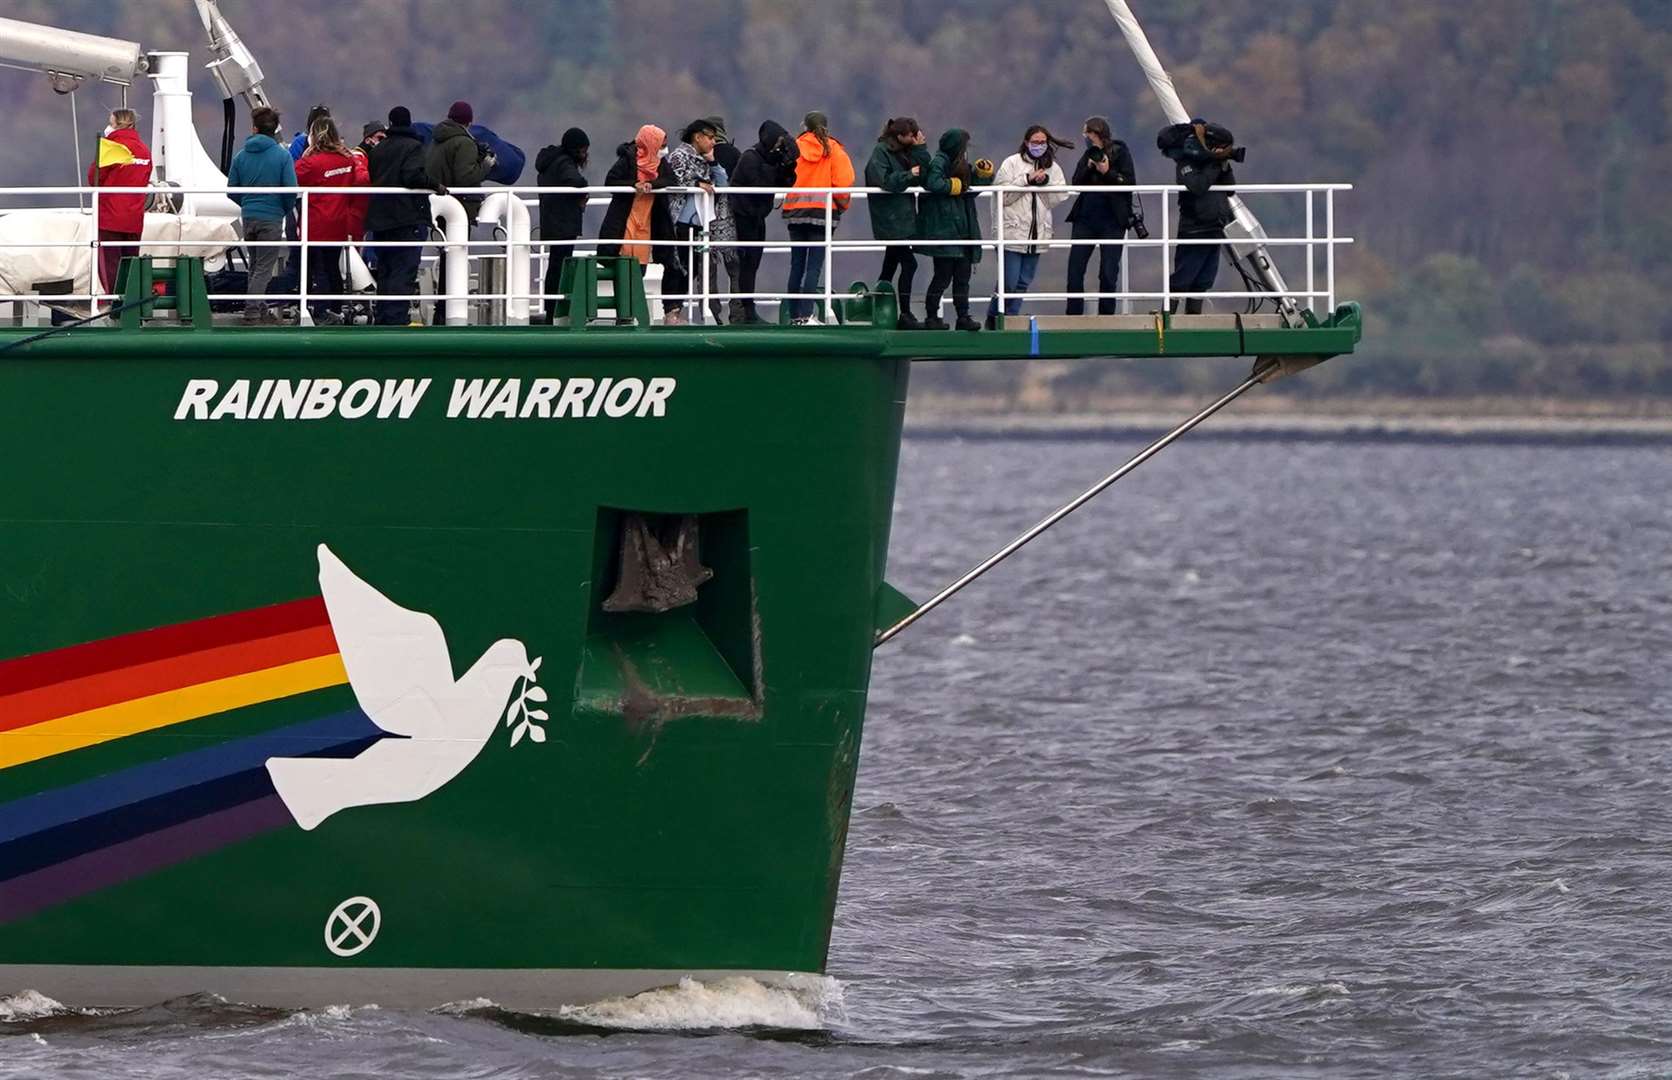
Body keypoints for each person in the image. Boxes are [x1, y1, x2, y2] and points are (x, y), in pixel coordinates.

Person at [597, 124, 688, 324]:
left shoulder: (660, 163)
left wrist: (650, 185)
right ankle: (625, 314)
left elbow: (669, 179)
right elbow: (610, 182)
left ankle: (630, 311)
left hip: (647, 222)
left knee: (640, 268)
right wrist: (633, 185)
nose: (664, 148)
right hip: (626, 220)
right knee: (624, 266)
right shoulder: (628, 160)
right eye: (662, 144)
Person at [364, 105, 446, 325]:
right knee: (404, 270)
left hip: (381, 219)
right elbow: (412, 176)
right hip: (406, 218)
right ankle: (396, 320)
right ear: (409, 123)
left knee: (386, 271)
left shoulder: (378, 149)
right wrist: (435, 185)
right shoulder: (414, 147)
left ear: (390, 123)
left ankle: (383, 318)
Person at [988, 124, 1072, 327]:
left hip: (1038, 234)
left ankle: (1012, 319)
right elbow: (1002, 196)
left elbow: (1058, 198)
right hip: (1012, 232)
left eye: (1043, 142)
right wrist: (1026, 180)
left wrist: (1043, 184)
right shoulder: (1011, 163)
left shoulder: (1053, 167)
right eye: (1035, 142)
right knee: (1008, 282)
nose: (1039, 146)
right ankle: (994, 317)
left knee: (1023, 282)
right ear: (1026, 142)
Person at [225, 106, 298, 324]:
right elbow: (291, 191)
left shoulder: (240, 156)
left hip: (249, 217)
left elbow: (232, 190)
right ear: (275, 129)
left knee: (255, 266)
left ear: (254, 128)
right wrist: (281, 209)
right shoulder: (282, 156)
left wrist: (247, 203)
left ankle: (259, 307)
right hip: (271, 217)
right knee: (264, 268)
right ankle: (253, 311)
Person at [294, 117, 370, 323]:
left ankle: (315, 309)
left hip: (315, 223)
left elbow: (293, 178)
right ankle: (336, 308)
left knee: (314, 269)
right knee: (332, 267)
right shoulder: (347, 160)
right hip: (338, 222)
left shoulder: (310, 163)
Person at [425, 101, 496, 324]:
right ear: (469, 121)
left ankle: (442, 311)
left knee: (447, 259)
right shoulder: (463, 143)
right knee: (454, 261)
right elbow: (465, 177)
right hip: (459, 209)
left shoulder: (437, 140)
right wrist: (485, 165)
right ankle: (449, 313)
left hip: (440, 209)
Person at [1161, 119, 1241, 314]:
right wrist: (1214, 163)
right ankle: (1167, 317)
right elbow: (1197, 186)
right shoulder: (1185, 162)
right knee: (1183, 277)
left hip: (1215, 226)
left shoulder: (1211, 163)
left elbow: (1230, 189)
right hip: (1194, 227)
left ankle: (1193, 318)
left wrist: (1224, 163)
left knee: (1204, 279)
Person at [782, 112, 854, 324]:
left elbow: (784, 176)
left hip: (795, 212)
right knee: (814, 267)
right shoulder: (834, 150)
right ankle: (807, 315)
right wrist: (843, 205)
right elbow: (843, 183)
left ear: (804, 126)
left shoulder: (794, 147)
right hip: (822, 213)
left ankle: (794, 316)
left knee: (796, 265)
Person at [917, 129, 993, 331]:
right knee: (942, 277)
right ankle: (932, 317)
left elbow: (968, 190)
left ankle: (963, 317)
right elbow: (934, 183)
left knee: (962, 278)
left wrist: (982, 176)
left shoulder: (958, 163)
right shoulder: (940, 162)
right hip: (946, 231)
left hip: (962, 231)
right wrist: (955, 185)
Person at [1065, 116, 1139, 316]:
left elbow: (1130, 184)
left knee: (1108, 271)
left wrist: (1108, 172)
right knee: (1075, 269)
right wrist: (1089, 166)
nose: (1084, 137)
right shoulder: (1088, 155)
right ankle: (1073, 314)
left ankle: (1106, 315)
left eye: (1086, 133)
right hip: (1086, 218)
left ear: (1095, 133)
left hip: (1112, 220)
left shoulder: (1120, 152)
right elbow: (1076, 183)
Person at [864, 117, 931, 329]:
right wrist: (907, 175)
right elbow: (882, 181)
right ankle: (905, 314)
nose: (914, 138)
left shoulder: (904, 150)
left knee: (890, 265)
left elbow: (924, 174)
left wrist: (921, 148)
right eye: (911, 135)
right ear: (900, 135)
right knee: (909, 264)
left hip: (902, 217)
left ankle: (874, 305)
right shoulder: (881, 152)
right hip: (890, 218)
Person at [729, 121, 796, 324]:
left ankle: (749, 310)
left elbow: (786, 183)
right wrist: (776, 164)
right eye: (777, 143)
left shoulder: (766, 159)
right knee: (748, 263)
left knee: (754, 263)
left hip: (757, 216)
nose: (778, 147)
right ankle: (747, 311)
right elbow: (760, 184)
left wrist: (787, 167)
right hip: (744, 216)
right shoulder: (749, 157)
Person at [86, 108, 153, 298]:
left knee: (110, 265)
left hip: (110, 216)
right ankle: (133, 301)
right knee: (131, 262)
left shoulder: (111, 148)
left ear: (115, 124)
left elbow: (94, 178)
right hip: (134, 216)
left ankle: (116, 305)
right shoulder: (144, 150)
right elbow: (145, 176)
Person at [666, 119, 721, 323]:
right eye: (710, 137)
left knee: (693, 268)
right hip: (681, 221)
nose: (713, 142)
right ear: (697, 137)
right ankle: (671, 311)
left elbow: (721, 182)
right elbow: (676, 178)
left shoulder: (704, 159)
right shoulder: (679, 155)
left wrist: (714, 162)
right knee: (678, 266)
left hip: (699, 222)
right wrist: (698, 183)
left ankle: (677, 311)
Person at [534, 127, 590, 321]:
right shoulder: (565, 162)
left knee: (555, 265)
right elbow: (578, 182)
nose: (585, 155)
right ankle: (555, 312)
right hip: (563, 223)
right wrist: (583, 194)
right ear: (575, 149)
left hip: (551, 221)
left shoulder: (549, 161)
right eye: (583, 150)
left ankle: (551, 310)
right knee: (560, 266)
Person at [699, 116, 741, 324]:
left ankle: (711, 312)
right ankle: (738, 311)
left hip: (705, 217)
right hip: (730, 217)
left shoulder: (699, 152)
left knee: (707, 266)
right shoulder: (734, 153)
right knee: (735, 268)